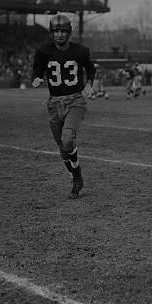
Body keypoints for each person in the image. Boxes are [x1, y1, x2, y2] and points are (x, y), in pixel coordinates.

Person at [31, 14, 95, 199]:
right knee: (62, 148)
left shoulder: (80, 51)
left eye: (63, 31)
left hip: (75, 100)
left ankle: (76, 176)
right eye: (56, 31)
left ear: (69, 32)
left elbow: (90, 68)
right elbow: (38, 68)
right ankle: (76, 177)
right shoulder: (43, 51)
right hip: (54, 103)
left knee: (68, 139)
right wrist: (37, 77)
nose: (59, 34)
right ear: (52, 32)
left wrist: (89, 83)